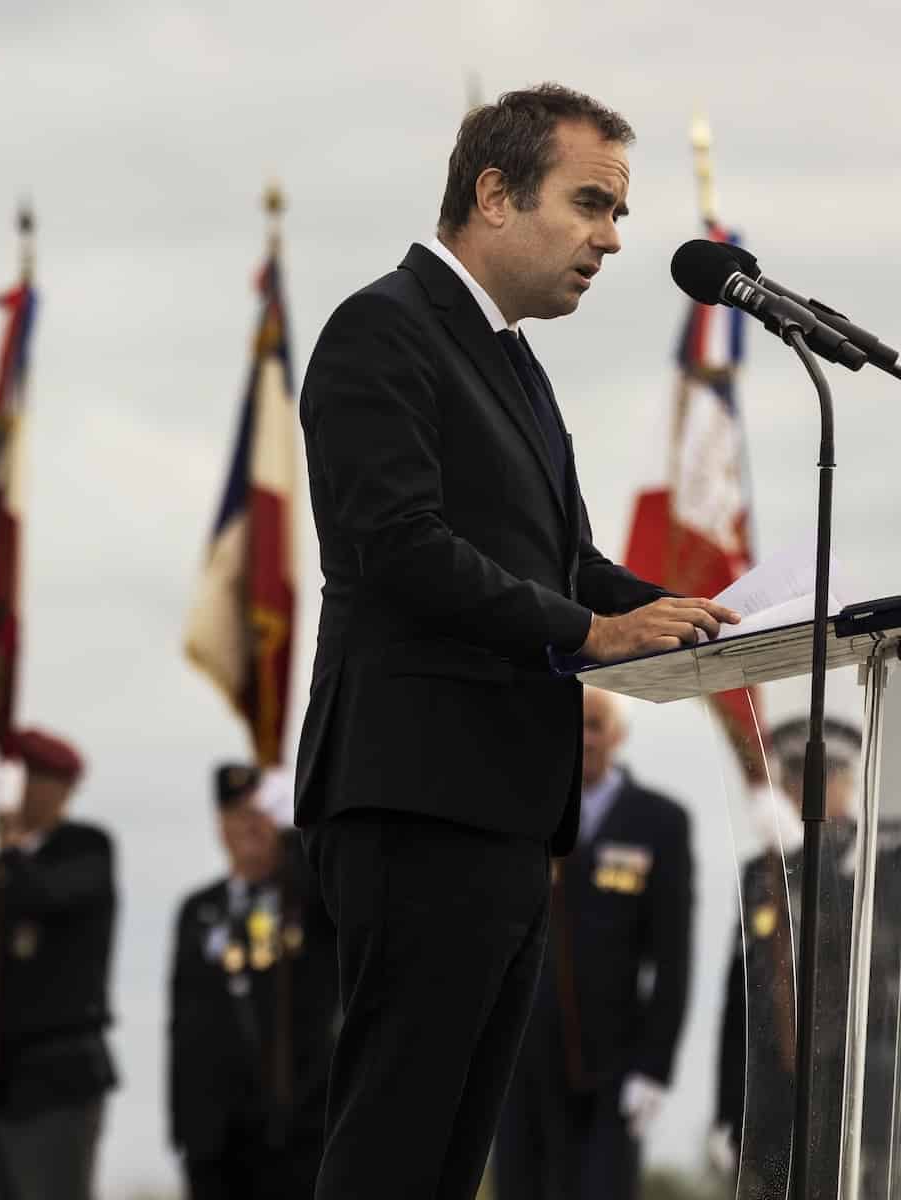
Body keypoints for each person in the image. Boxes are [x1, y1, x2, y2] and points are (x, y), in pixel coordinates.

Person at [291, 82, 739, 1200]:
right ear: (493, 194)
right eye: (589, 203)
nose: (612, 237)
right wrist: (595, 628)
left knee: (449, 1160)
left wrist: (725, 623)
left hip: (502, 808)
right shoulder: (381, 328)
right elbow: (397, 546)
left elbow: (567, 561)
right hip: (417, 793)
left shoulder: (513, 362)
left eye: (619, 213)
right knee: (395, 1145)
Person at [492, 688, 694, 1200]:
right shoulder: (520, 815)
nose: (584, 740)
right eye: (574, 726)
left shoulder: (659, 823)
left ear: (619, 735)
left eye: (596, 725)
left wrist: (655, 1066)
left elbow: (674, 958)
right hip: (523, 1064)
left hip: (611, 1067)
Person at [0, 727, 118, 1200]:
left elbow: (44, 895)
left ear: (61, 788)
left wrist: (10, 846)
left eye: (28, 777)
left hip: (54, 1082)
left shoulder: (86, 849)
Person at [711, 716, 869, 1194]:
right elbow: (740, 992)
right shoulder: (760, 872)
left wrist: (804, 858)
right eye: (793, 778)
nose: (803, 791)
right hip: (766, 1096)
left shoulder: (870, 861)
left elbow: (866, 959)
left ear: (845, 783)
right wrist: (725, 1108)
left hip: (839, 1094)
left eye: (818, 778)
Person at [168, 764, 338, 1199]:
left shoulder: (303, 895)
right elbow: (182, 1024)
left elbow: (334, 892)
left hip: (297, 1126)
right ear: (219, 825)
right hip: (216, 1138)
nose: (248, 825)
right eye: (235, 814)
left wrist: (294, 838)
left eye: (258, 812)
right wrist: (183, 1127)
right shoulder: (198, 910)